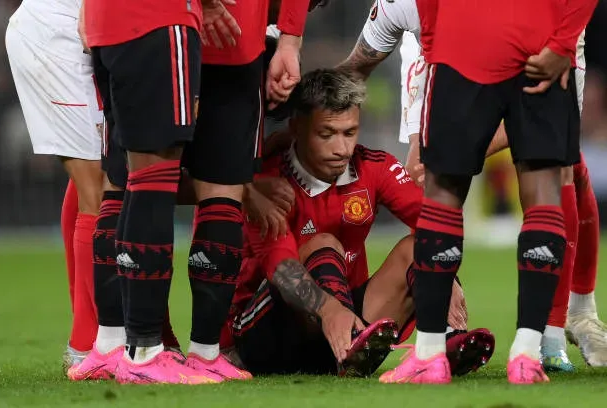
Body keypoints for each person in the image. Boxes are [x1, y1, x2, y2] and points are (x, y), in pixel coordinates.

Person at [339, 0, 607, 373]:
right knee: (550, 187)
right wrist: (562, 45)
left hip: (463, 45)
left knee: (443, 194)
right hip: (543, 41)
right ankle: (531, 352)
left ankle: (431, 355)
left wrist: (434, 43)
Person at [227, 68, 495, 377]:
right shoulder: (268, 184)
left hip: (347, 328)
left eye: (349, 133)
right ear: (296, 128)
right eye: (326, 134)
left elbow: (435, 222)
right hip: (267, 334)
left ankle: (440, 340)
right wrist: (330, 311)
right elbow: (281, 268)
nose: (341, 149)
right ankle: (350, 340)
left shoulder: (374, 167)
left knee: (420, 247)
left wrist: (445, 279)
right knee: (325, 244)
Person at [81, 0, 226, 384]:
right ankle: (143, 353)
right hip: (157, 18)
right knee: (155, 175)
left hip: (106, 23)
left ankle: (117, 345)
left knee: (130, 178)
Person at [179, 0, 314, 381]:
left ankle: (145, 347)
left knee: (138, 183)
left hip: (185, 32)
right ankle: (162, 347)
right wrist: (290, 41)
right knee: (142, 184)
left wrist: (288, 42)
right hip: (194, 30)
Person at [5, 0, 104, 368]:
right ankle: (86, 346)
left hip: (74, 28)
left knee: (93, 181)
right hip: (61, 33)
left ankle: (94, 338)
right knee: (97, 183)